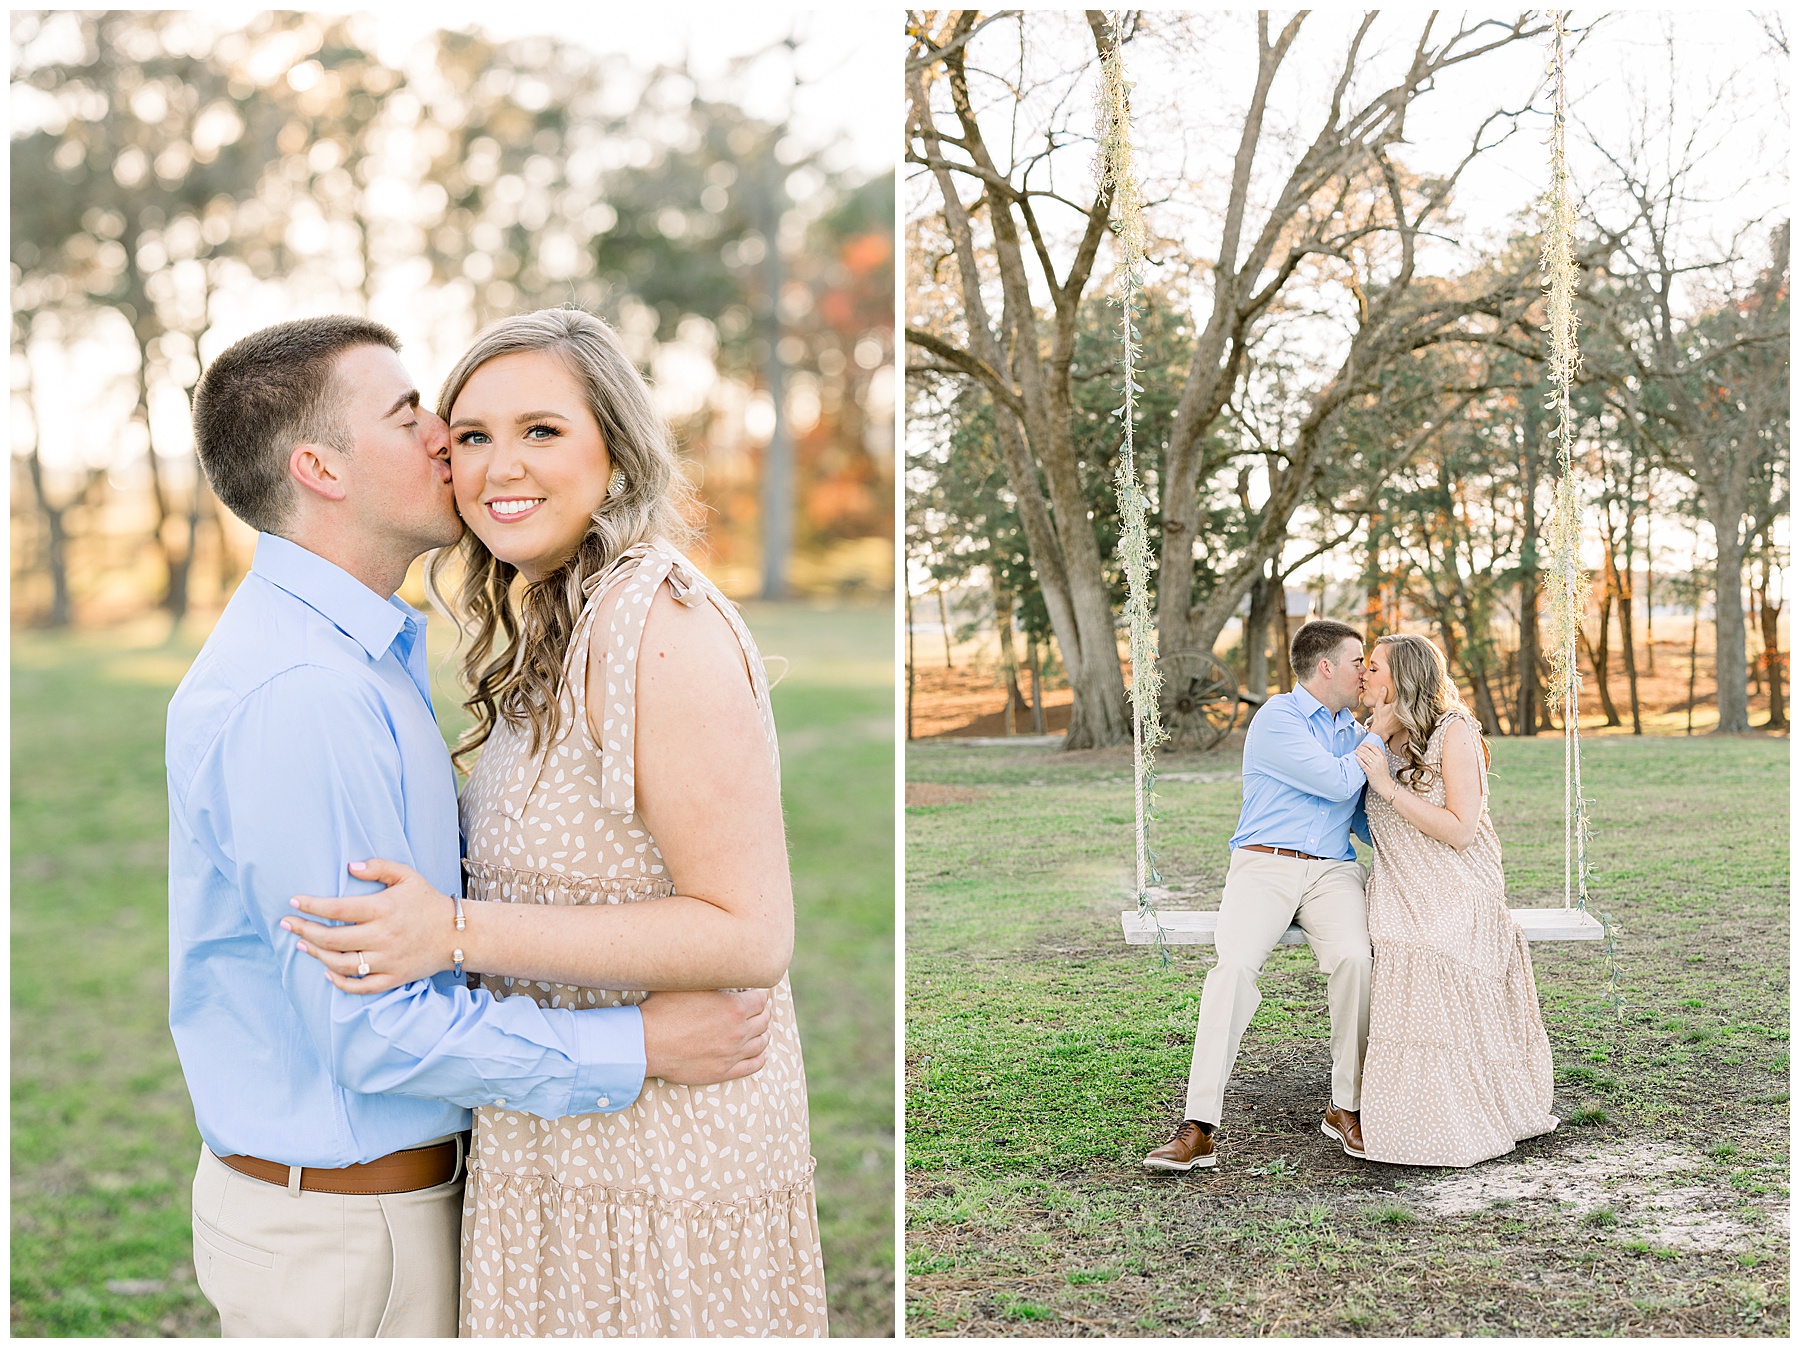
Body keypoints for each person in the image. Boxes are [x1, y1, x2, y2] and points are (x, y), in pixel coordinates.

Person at [169, 315, 773, 1338]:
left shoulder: (369, 648)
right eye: (412, 416)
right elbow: (373, 1032)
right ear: (319, 465)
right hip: (347, 1245)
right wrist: (637, 1042)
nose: (445, 437)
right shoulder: (302, 693)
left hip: (403, 1211)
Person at [1144, 618, 1380, 1172]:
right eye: (1356, 661)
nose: (1364, 671)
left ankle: (1346, 1106)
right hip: (1264, 865)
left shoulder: (1354, 732)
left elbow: (1368, 822)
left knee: (1355, 959)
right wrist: (1381, 733)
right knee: (1234, 969)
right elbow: (1338, 783)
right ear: (1326, 668)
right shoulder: (1278, 717)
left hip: (1332, 873)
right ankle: (1198, 1125)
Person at [1352, 634, 1559, 1166]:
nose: (1363, 675)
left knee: (1433, 939)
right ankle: (1410, 1119)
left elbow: (1462, 830)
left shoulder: (1455, 730)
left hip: (1457, 882)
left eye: (1373, 667)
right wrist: (1375, 736)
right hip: (1400, 884)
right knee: (1400, 940)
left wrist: (1388, 786)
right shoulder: (1372, 734)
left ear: (1401, 678)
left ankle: (1460, 1116)